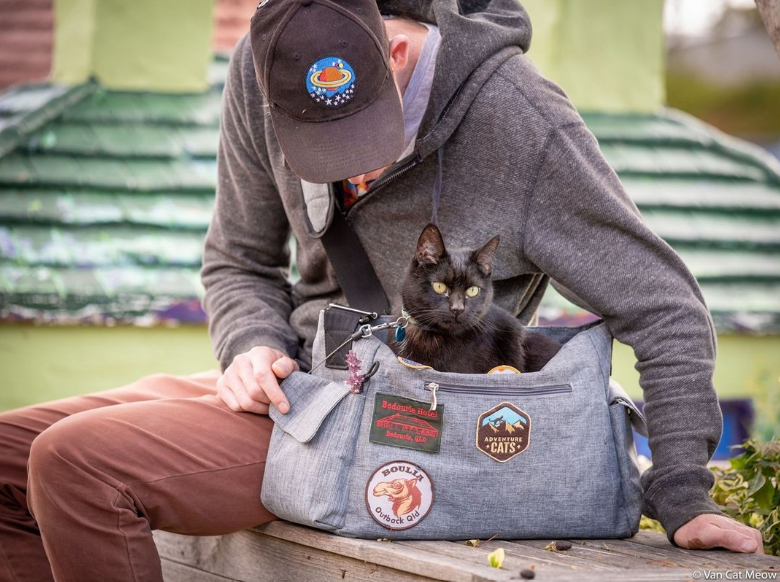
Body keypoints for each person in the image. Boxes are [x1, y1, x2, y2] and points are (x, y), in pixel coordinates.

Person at [0, 0, 765, 580]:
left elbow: (665, 307)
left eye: (359, 135)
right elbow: (237, 258)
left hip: (410, 419)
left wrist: (684, 492)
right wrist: (252, 345)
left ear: (396, 52)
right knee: (8, 453)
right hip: (297, 381)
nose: (349, 172)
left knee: (75, 466)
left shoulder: (523, 122)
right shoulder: (269, 63)